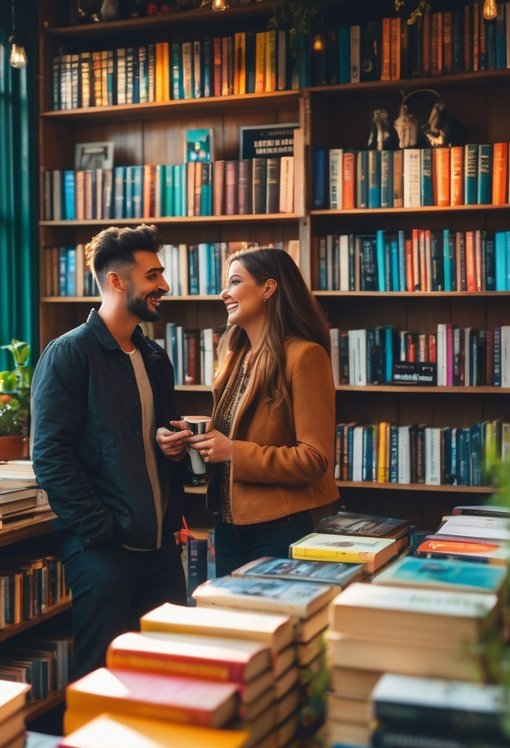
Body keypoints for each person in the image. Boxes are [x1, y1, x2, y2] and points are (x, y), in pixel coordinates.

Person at [31, 224, 191, 681]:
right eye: (153, 274)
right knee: (99, 679)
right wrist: (101, 530)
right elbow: (50, 455)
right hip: (104, 553)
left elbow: (155, 442)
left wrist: (173, 448)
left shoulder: (155, 357)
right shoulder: (68, 355)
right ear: (118, 282)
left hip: (160, 550)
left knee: (169, 674)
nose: (163, 284)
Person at [183, 246, 338, 577]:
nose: (224, 293)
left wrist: (232, 452)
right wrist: (192, 441)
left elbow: (315, 459)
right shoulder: (236, 358)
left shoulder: (305, 356)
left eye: (235, 282)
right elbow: (239, 436)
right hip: (228, 526)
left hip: (280, 528)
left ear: (268, 288)